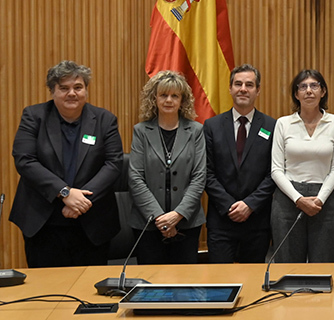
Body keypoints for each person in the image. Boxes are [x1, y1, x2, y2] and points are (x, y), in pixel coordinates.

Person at [11, 61, 123, 267]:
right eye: (64, 88)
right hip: (43, 222)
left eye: (78, 87)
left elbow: (114, 163)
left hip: (92, 221)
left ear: (86, 91)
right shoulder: (34, 116)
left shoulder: (105, 120)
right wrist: (65, 192)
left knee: (90, 290)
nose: (72, 93)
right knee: (46, 289)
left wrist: (80, 200)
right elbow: (24, 160)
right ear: (52, 91)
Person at [128, 71, 206, 264]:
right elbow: (135, 178)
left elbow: (199, 177)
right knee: (149, 286)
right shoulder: (141, 131)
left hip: (186, 223)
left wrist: (177, 216)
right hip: (147, 223)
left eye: (174, 96)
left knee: (185, 285)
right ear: (154, 98)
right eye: (163, 95)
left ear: (182, 100)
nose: (169, 100)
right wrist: (161, 218)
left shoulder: (196, 131)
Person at [204, 64, 276, 263]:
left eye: (249, 85)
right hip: (221, 221)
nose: (243, 88)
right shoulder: (212, 126)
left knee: (253, 283)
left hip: (257, 221)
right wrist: (230, 206)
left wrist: (249, 205)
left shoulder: (272, 126)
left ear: (258, 90)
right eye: (238, 84)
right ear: (230, 88)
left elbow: (274, 173)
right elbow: (207, 173)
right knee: (219, 283)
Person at [270, 69, 334, 263]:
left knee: (323, 264)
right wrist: (298, 199)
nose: (309, 91)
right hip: (288, 199)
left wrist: (319, 199)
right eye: (303, 87)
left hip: (325, 201)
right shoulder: (283, 124)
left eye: (314, 86)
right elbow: (276, 170)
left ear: (323, 91)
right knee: (287, 265)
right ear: (296, 94)